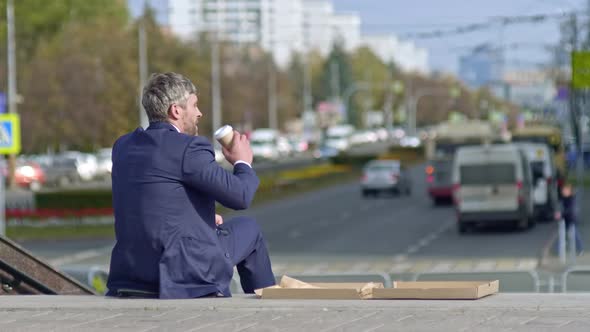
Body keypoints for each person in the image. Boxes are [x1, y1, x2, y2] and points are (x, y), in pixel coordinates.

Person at [106, 72, 276, 299]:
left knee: (220, 229)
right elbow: (240, 196)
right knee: (249, 229)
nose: (199, 113)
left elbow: (155, 195)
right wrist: (242, 162)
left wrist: (200, 218)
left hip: (130, 275)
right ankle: (266, 311)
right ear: (176, 111)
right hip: (186, 272)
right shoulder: (189, 148)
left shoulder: (123, 147)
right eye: (194, 105)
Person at [555, 182, 583, 255]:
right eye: (563, 190)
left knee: (574, 235)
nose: (563, 192)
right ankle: (559, 251)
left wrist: (561, 214)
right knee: (563, 235)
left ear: (569, 191)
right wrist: (560, 214)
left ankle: (580, 249)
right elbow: (563, 209)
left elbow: (570, 209)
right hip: (566, 219)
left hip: (571, 219)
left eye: (565, 190)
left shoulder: (571, 199)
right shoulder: (564, 198)